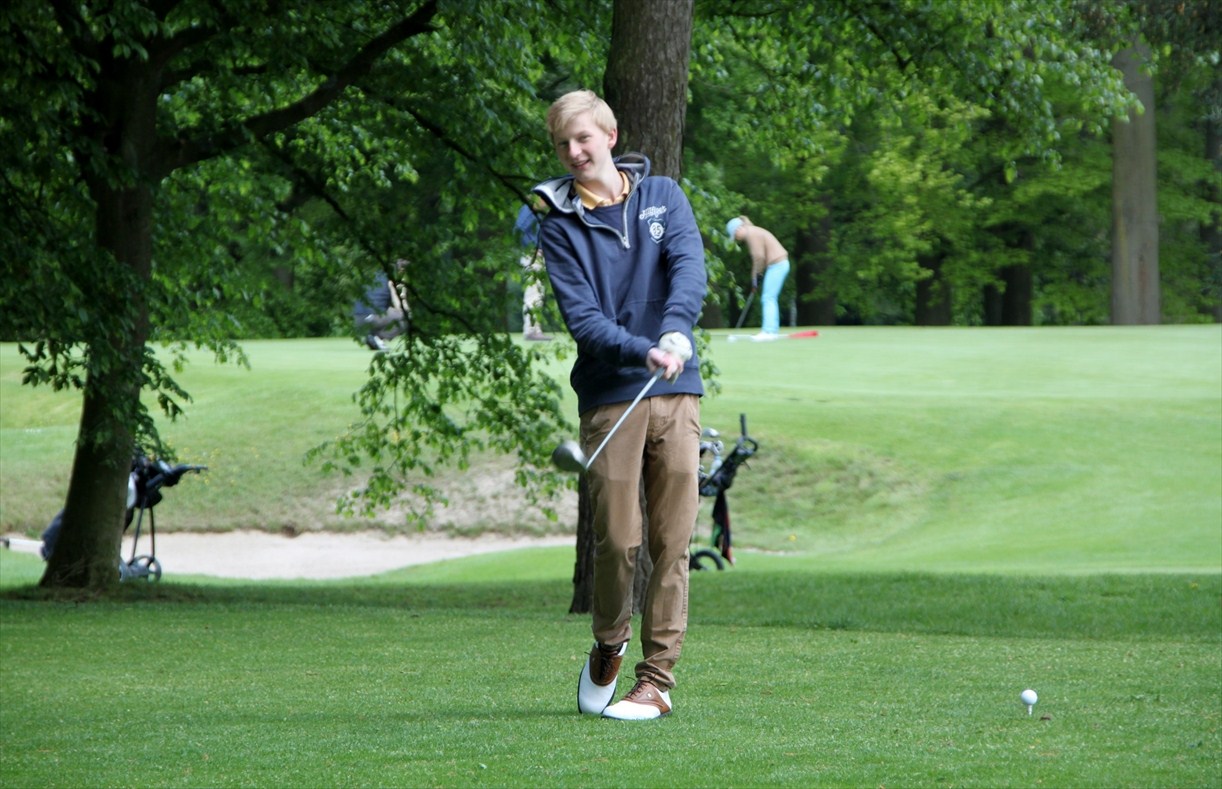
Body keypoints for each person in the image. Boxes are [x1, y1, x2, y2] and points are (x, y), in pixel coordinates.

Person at [533, 90, 707, 721]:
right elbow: (584, 320)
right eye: (563, 143)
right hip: (612, 394)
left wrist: (675, 330)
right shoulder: (560, 224)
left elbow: (688, 267)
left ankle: (656, 681)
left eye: (583, 137)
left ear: (609, 135)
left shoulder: (664, 196)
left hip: (677, 389)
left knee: (672, 541)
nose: (574, 151)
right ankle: (609, 641)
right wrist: (642, 350)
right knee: (619, 540)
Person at [726, 216, 790, 340]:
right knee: (769, 297)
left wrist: (755, 278)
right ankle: (771, 330)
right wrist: (757, 277)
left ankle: (769, 331)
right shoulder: (753, 231)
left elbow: (759, 257)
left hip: (778, 265)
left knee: (768, 297)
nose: (736, 239)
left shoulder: (752, 234)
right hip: (777, 265)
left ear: (739, 229)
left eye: (735, 235)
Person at [514, 197, 552, 341]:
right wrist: (533, 247)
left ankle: (535, 329)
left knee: (538, 293)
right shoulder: (528, 210)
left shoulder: (537, 213)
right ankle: (530, 330)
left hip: (537, 256)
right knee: (533, 292)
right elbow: (519, 228)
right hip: (532, 256)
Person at [352, 262, 408, 351]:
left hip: (358, 319)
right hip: (373, 318)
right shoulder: (391, 280)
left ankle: (373, 338)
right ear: (400, 270)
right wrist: (403, 292)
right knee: (405, 316)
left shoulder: (371, 276)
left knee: (387, 312)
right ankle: (378, 338)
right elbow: (400, 307)